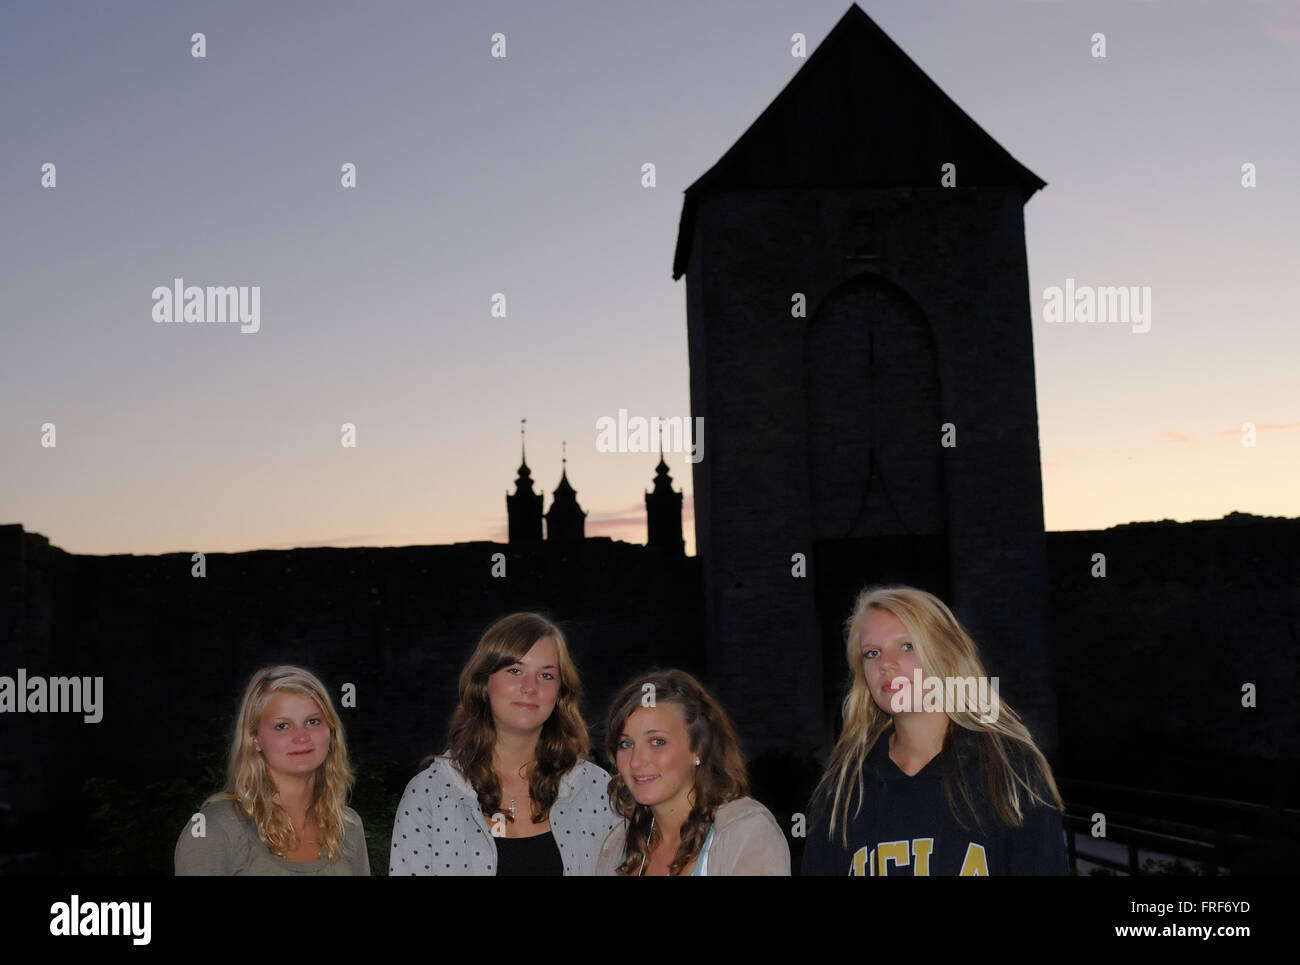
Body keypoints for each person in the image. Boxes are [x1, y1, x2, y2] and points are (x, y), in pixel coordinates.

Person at [802, 585, 1069, 876]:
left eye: (907, 646)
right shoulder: (845, 786)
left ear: (946, 655)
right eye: (872, 653)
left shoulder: (1007, 770)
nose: (886, 665)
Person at [390, 612, 617, 875]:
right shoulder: (429, 795)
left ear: (560, 693)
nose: (530, 687)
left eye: (546, 676)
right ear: (484, 683)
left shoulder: (596, 790)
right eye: (515, 670)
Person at [174, 665, 369, 875]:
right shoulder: (215, 830)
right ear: (254, 738)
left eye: (313, 722)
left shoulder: (347, 826)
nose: (301, 737)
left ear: (330, 732)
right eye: (282, 726)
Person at [597, 669, 790, 875]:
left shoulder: (744, 834)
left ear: (698, 748)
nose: (636, 761)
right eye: (626, 744)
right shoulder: (618, 847)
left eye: (657, 742)